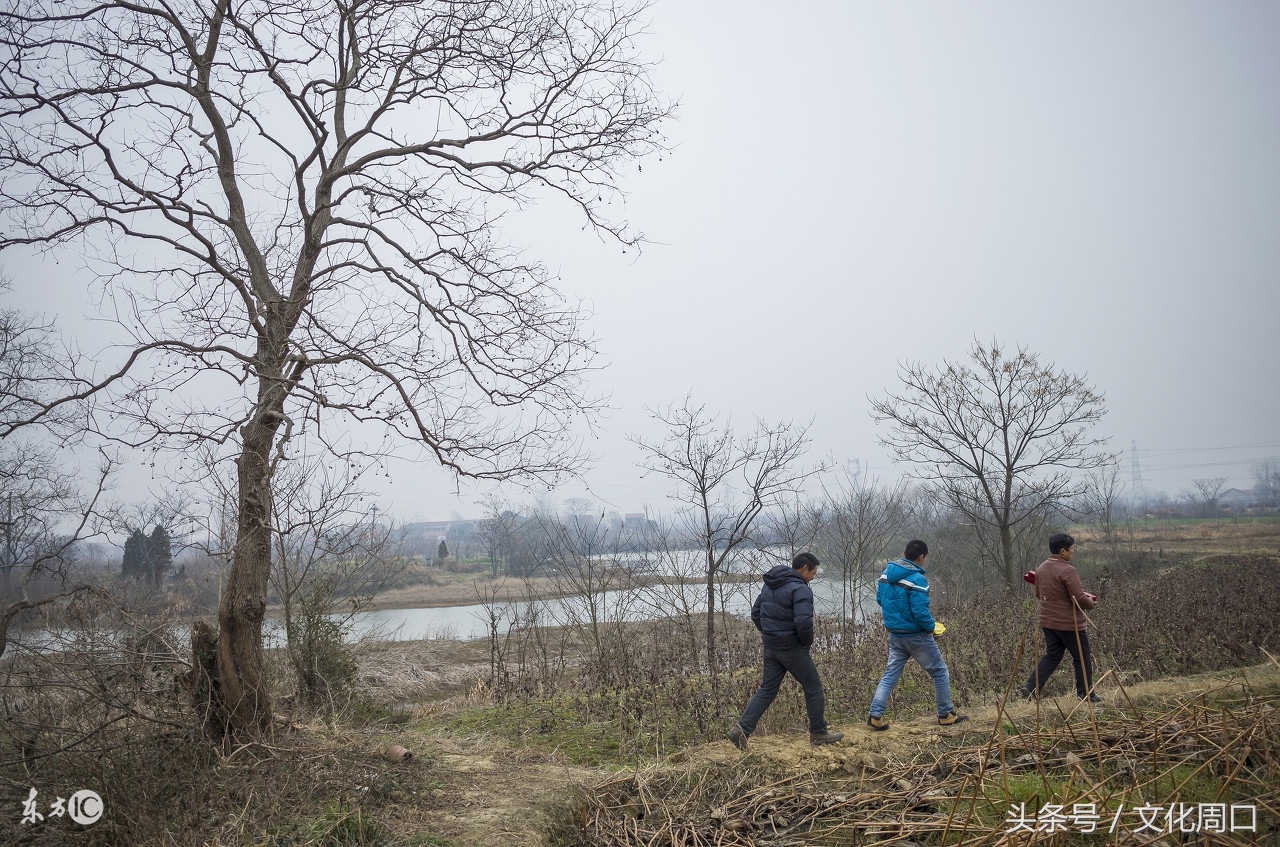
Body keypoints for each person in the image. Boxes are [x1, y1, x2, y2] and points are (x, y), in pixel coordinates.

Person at [727, 552, 845, 751]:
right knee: (813, 687)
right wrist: (805, 644)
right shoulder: (801, 589)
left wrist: (769, 632)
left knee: (767, 690)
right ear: (805, 568)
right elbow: (803, 623)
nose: (814, 577)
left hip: (771, 647)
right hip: (791, 648)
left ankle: (741, 730)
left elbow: (756, 613)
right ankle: (818, 732)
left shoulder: (770, 584)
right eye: (814, 573)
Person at [866, 539, 968, 730]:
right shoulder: (917, 579)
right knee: (939, 672)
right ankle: (945, 714)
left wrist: (897, 616)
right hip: (917, 636)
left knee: (890, 674)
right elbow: (920, 613)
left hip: (895, 634)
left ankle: (875, 715)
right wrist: (931, 628)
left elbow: (881, 599)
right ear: (922, 557)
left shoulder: (886, 573)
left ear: (904, 553)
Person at [1022, 533, 1101, 702]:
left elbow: (1038, 594)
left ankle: (1031, 687)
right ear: (1062, 551)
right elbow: (1079, 598)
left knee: (1052, 656)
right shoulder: (1068, 570)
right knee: (1082, 657)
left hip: (1048, 622)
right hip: (1069, 624)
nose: (1072, 552)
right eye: (1071, 549)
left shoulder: (1042, 568)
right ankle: (1085, 694)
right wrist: (1091, 603)